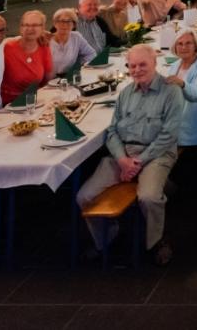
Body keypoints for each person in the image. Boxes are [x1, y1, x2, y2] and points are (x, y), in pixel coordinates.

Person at [77, 45, 184, 266]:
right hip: (124, 156)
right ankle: (107, 237)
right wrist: (122, 160)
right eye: (132, 66)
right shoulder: (125, 93)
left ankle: (157, 241)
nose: (137, 70)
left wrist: (139, 161)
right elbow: (112, 131)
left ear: (154, 63)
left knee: (149, 197)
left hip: (157, 154)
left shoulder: (171, 92)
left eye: (142, 64)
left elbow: (168, 135)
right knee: (84, 197)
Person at [161, 31, 197, 148]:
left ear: (196, 46)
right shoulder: (175, 65)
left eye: (188, 43)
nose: (183, 47)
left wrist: (182, 84)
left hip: (190, 126)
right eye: (180, 44)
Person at [0, 11, 53, 106]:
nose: (30, 29)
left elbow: (47, 79)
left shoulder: (44, 47)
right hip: (9, 105)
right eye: (26, 25)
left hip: (35, 101)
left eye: (35, 25)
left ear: (42, 29)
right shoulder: (7, 47)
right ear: (21, 28)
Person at [49, 8, 97, 74]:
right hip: (49, 79)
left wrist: (79, 65)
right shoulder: (47, 40)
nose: (65, 25)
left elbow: (91, 54)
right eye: (62, 21)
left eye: (69, 21)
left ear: (74, 25)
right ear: (55, 23)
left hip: (70, 76)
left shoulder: (76, 36)